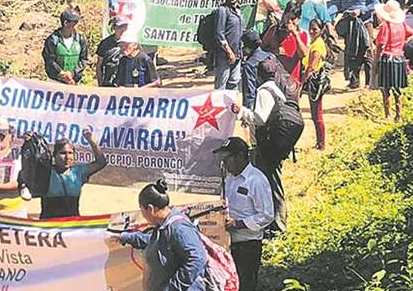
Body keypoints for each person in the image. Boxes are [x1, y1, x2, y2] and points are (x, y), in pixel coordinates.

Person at [231, 60, 299, 235]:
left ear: (258, 76)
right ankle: (277, 220)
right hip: (277, 143)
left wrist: (241, 111)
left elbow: (260, 119)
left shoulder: (263, 92)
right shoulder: (278, 90)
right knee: (274, 181)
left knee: (270, 183)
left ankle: (277, 224)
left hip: (267, 146)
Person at [117, 180, 208, 291]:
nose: (142, 214)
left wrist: (172, 288)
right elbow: (156, 242)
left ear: (150, 209)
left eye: (141, 209)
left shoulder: (178, 228)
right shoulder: (165, 226)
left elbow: (197, 258)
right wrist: (126, 237)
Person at [213, 137, 274, 291]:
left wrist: (239, 223)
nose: (224, 163)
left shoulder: (256, 180)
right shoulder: (229, 178)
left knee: (245, 284)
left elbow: (267, 215)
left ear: (240, 156)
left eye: (227, 158)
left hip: (247, 245)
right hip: (227, 242)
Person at [40, 129, 108, 219]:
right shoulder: (45, 172)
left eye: (70, 153)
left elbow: (101, 162)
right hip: (49, 226)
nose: (67, 157)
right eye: (63, 153)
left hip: (72, 227)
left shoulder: (79, 172)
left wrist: (91, 140)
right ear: (54, 155)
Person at [337, 0, 379, 90]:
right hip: (350, 25)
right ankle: (354, 81)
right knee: (352, 51)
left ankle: (369, 82)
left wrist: (361, 11)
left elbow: (375, 4)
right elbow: (339, 5)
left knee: (367, 50)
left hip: (365, 23)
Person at [374, 1, 413, 121]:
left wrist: (376, 61)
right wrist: (403, 43)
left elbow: (380, 45)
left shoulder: (385, 27)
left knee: (385, 89)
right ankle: (399, 115)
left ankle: (387, 115)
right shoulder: (402, 25)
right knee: (397, 89)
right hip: (400, 57)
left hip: (387, 58)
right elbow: (412, 33)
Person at [210, 0, 244, 91]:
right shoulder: (222, 10)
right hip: (224, 55)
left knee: (234, 82)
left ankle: (230, 106)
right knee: (221, 83)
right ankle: (219, 106)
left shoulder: (237, 11)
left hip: (238, 52)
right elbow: (219, 34)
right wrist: (229, 52)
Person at [302, 19, 330, 149]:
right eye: (311, 29)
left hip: (315, 83)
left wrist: (303, 82)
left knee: (317, 114)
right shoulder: (315, 43)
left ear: (321, 30)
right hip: (314, 81)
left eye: (315, 29)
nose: (312, 31)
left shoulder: (318, 46)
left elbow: (312, 66)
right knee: (315, 114)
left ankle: (321, 143)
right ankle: (320, 142)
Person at [42, 8, 89, 84]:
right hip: (55, 82)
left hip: (74, 82)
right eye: (74, 22)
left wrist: (73, 73)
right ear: (66, 23)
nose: (76, 24)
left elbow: (84, 59)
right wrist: (62, 73)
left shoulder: (80, 39)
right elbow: (49, 60)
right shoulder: (52, 40)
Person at [240, 29, 273, 111]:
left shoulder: (249, 65)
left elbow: (249, 92)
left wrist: (247, 113)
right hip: (275, 102)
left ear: (247, 46)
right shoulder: (270, 56)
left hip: (260, 105)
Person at [274, 8, 308, 84]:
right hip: (276, 77)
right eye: (287, 18)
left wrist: (295, 34)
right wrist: (274, 51)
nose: (289, 21)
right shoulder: (276, 32)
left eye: (292, 19)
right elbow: (263, 49)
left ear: (298, 19)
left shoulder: (303, 34)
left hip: (293, 79)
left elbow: (303, 54)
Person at [96, 16, 129, 87]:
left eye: (124, 27)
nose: (122, 30)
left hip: (124, 84)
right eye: (119, 27)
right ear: (114, 28)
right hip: (108, 83)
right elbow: (99, 65)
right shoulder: (105, 43)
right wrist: (100, 84)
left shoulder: (131, 44)